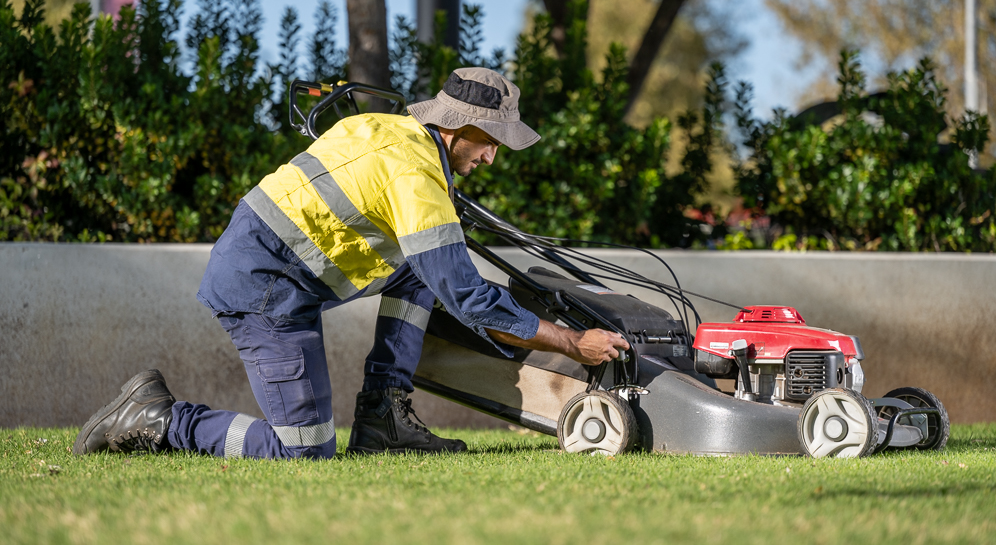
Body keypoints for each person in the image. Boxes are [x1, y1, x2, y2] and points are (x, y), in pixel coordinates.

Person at [73, 67, 628, 459]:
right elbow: (466, 297)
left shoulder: (390, 128)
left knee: (418, 269)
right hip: (263, 290)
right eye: (490, 142)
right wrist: (570, 342)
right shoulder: (415, 175)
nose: (490, 157)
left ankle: (384, 414)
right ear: (459, 126)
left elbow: (431, 264)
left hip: (277, 270)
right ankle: (162, 420)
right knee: (302, 452)